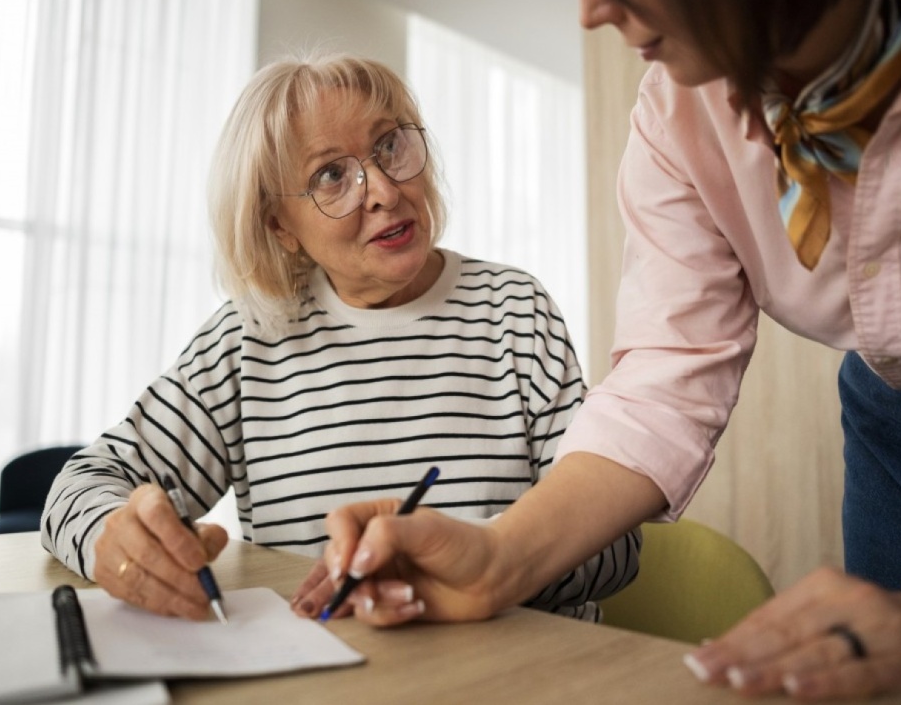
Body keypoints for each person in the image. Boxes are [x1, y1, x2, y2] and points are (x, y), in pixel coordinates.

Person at [311, 0, 901, 702]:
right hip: (895, 433)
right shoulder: (675, 113)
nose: (590, 11)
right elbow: (664, 377)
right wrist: (498, 557)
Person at [40, 53, 639, 625]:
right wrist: (114, 541)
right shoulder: (247, 340)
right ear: (280, 226)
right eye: (331, 175)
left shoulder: (514, 311)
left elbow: (614, 545)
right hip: (330, 668)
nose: (384, 190)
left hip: (522, 667)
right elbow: (79, 487)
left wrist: (474, 560)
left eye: (390, 146)